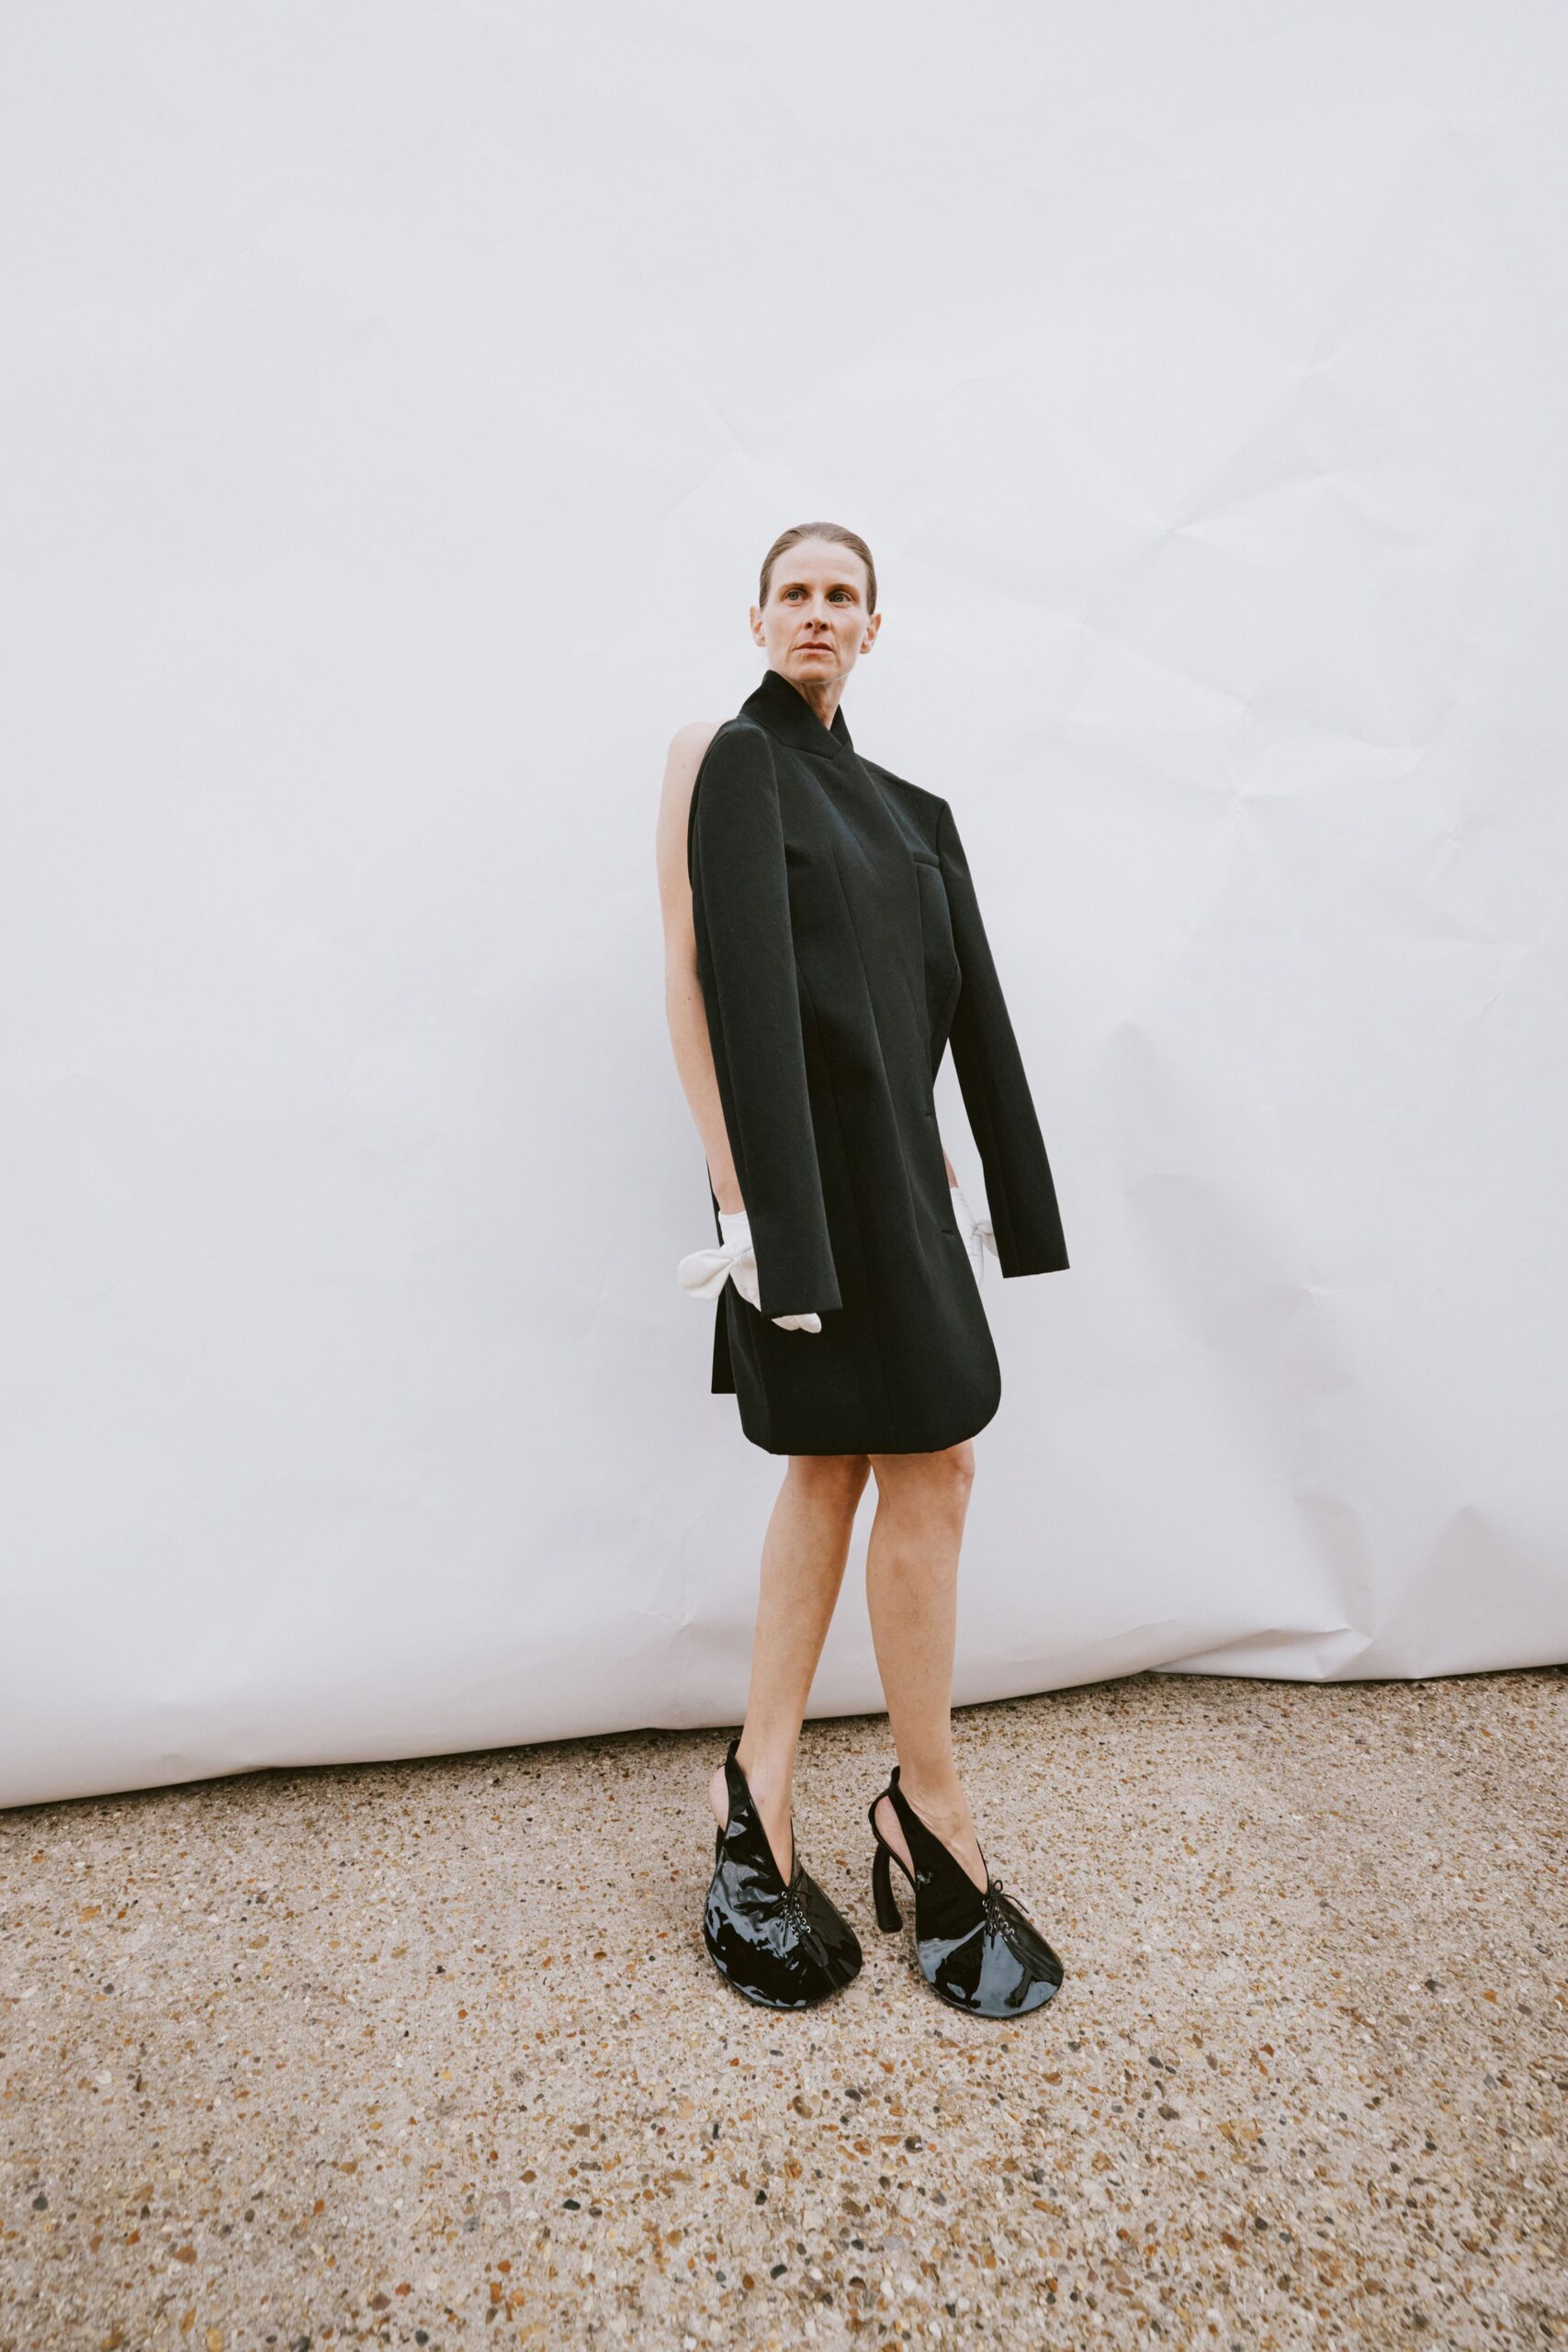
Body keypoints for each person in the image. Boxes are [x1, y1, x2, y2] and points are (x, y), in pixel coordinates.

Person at [655, 523, 1069, 2019]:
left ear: (874, 628)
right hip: (795, 1188)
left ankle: (898, 1800)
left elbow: (969, 1010)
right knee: (840, 1462)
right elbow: (693, 980)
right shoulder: (723, 758)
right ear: (758, 617)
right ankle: (793, 1797)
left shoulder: (914, 813)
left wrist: (999, 1186)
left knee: (924, 1457)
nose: (817, 614)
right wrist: (745, 1203)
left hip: (901, 1186)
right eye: (795, 594)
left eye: (843, 596)